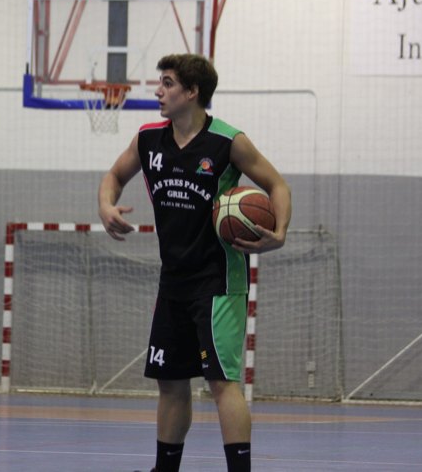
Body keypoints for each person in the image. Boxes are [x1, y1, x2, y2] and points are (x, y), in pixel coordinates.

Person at [98, 54, 291, 472]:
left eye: (167, 83)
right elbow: (113, 176)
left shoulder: (227, 141)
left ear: (192, 92)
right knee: (170, 383)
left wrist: (279, 232)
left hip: (218, 280)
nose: (158, 91)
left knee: (222, 383)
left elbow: (276, 184)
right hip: (173, 281)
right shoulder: (148, 139)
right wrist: (106, 205)